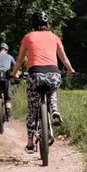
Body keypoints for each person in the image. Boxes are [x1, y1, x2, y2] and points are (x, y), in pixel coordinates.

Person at [11, 11, 75, 153]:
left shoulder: (28, 37)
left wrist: (14, 74)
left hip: (35, 74)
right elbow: (64, 58)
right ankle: (55, 111)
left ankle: (30, 142)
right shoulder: (55, 37)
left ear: (33, 24)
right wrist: (70, 70)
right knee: (52, 90)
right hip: (54, 74)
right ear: (47, 24)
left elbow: (19, 60)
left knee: (32, 108)